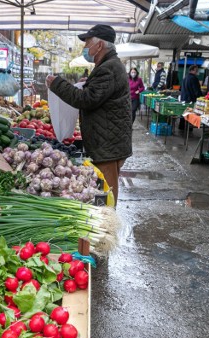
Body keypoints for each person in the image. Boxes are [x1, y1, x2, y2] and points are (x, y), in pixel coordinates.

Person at [45, 24, 131, 205]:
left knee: (107, 193)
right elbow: (98, 93)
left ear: (99, 45)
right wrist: (88, 83)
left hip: (107, 144)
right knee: (104, 190)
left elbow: (86, 100)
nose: (85, 48)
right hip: (107, 140)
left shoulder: (109, 68)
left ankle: (107, 229)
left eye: (87, 43)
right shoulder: (109, 65)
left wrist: (57, 84)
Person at [179, 65, 202, 130]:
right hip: (190, 99)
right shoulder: (194, 78)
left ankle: (181, 127)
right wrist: (201, 97)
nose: (197, 71)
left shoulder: (185, 77)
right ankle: (189, 128)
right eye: (196, 70)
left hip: (184, 98)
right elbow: (196, 90)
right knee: (190, 114)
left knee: (184, 112)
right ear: (192, 70)